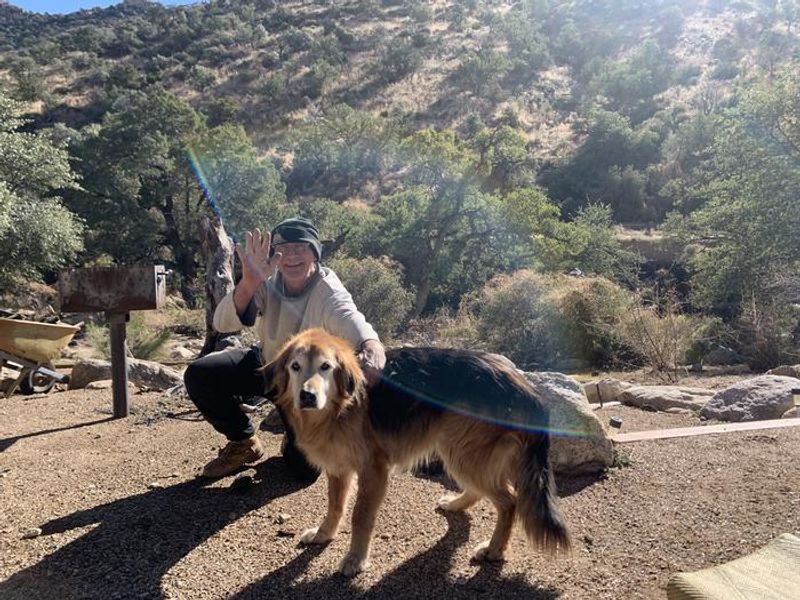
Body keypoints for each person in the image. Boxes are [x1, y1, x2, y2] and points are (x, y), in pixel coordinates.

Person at [184, 217, 386, 481]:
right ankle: (244, 443)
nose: (291, 255)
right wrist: (249, 283)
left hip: (304, 384)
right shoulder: (267, 280)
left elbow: (354, 322)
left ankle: (291, 432)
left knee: (303, 471)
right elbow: (222, 323)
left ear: (315, 252)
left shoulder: (328, 291)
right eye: (283, 247)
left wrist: (372, 347)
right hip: (268, 364)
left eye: (300, 246)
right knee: (200, 375)